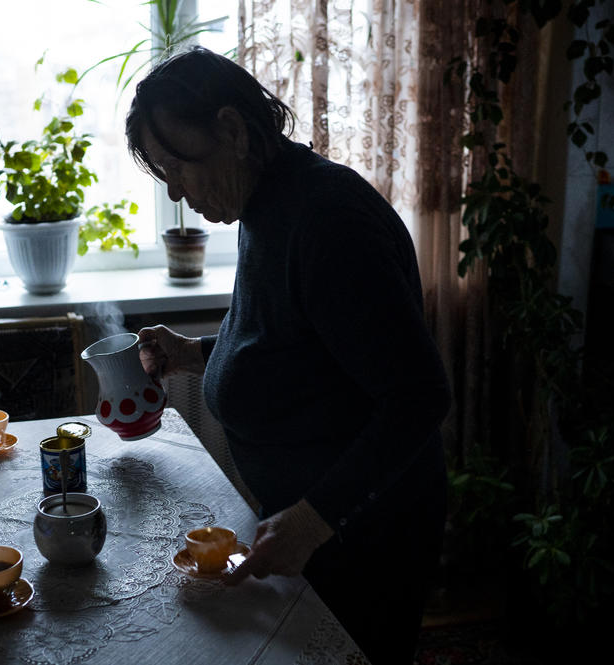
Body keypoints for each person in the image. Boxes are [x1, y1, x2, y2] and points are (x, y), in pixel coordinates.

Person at [127, 47, 450, 665]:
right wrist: (193, 352)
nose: (174, 189)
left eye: (176, 164)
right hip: (324, 525)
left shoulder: (330, 221)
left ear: (230, 129)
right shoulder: (264, 204)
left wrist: (311, 521)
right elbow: (290, 339)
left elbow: (420, 396)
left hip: (367, 532)